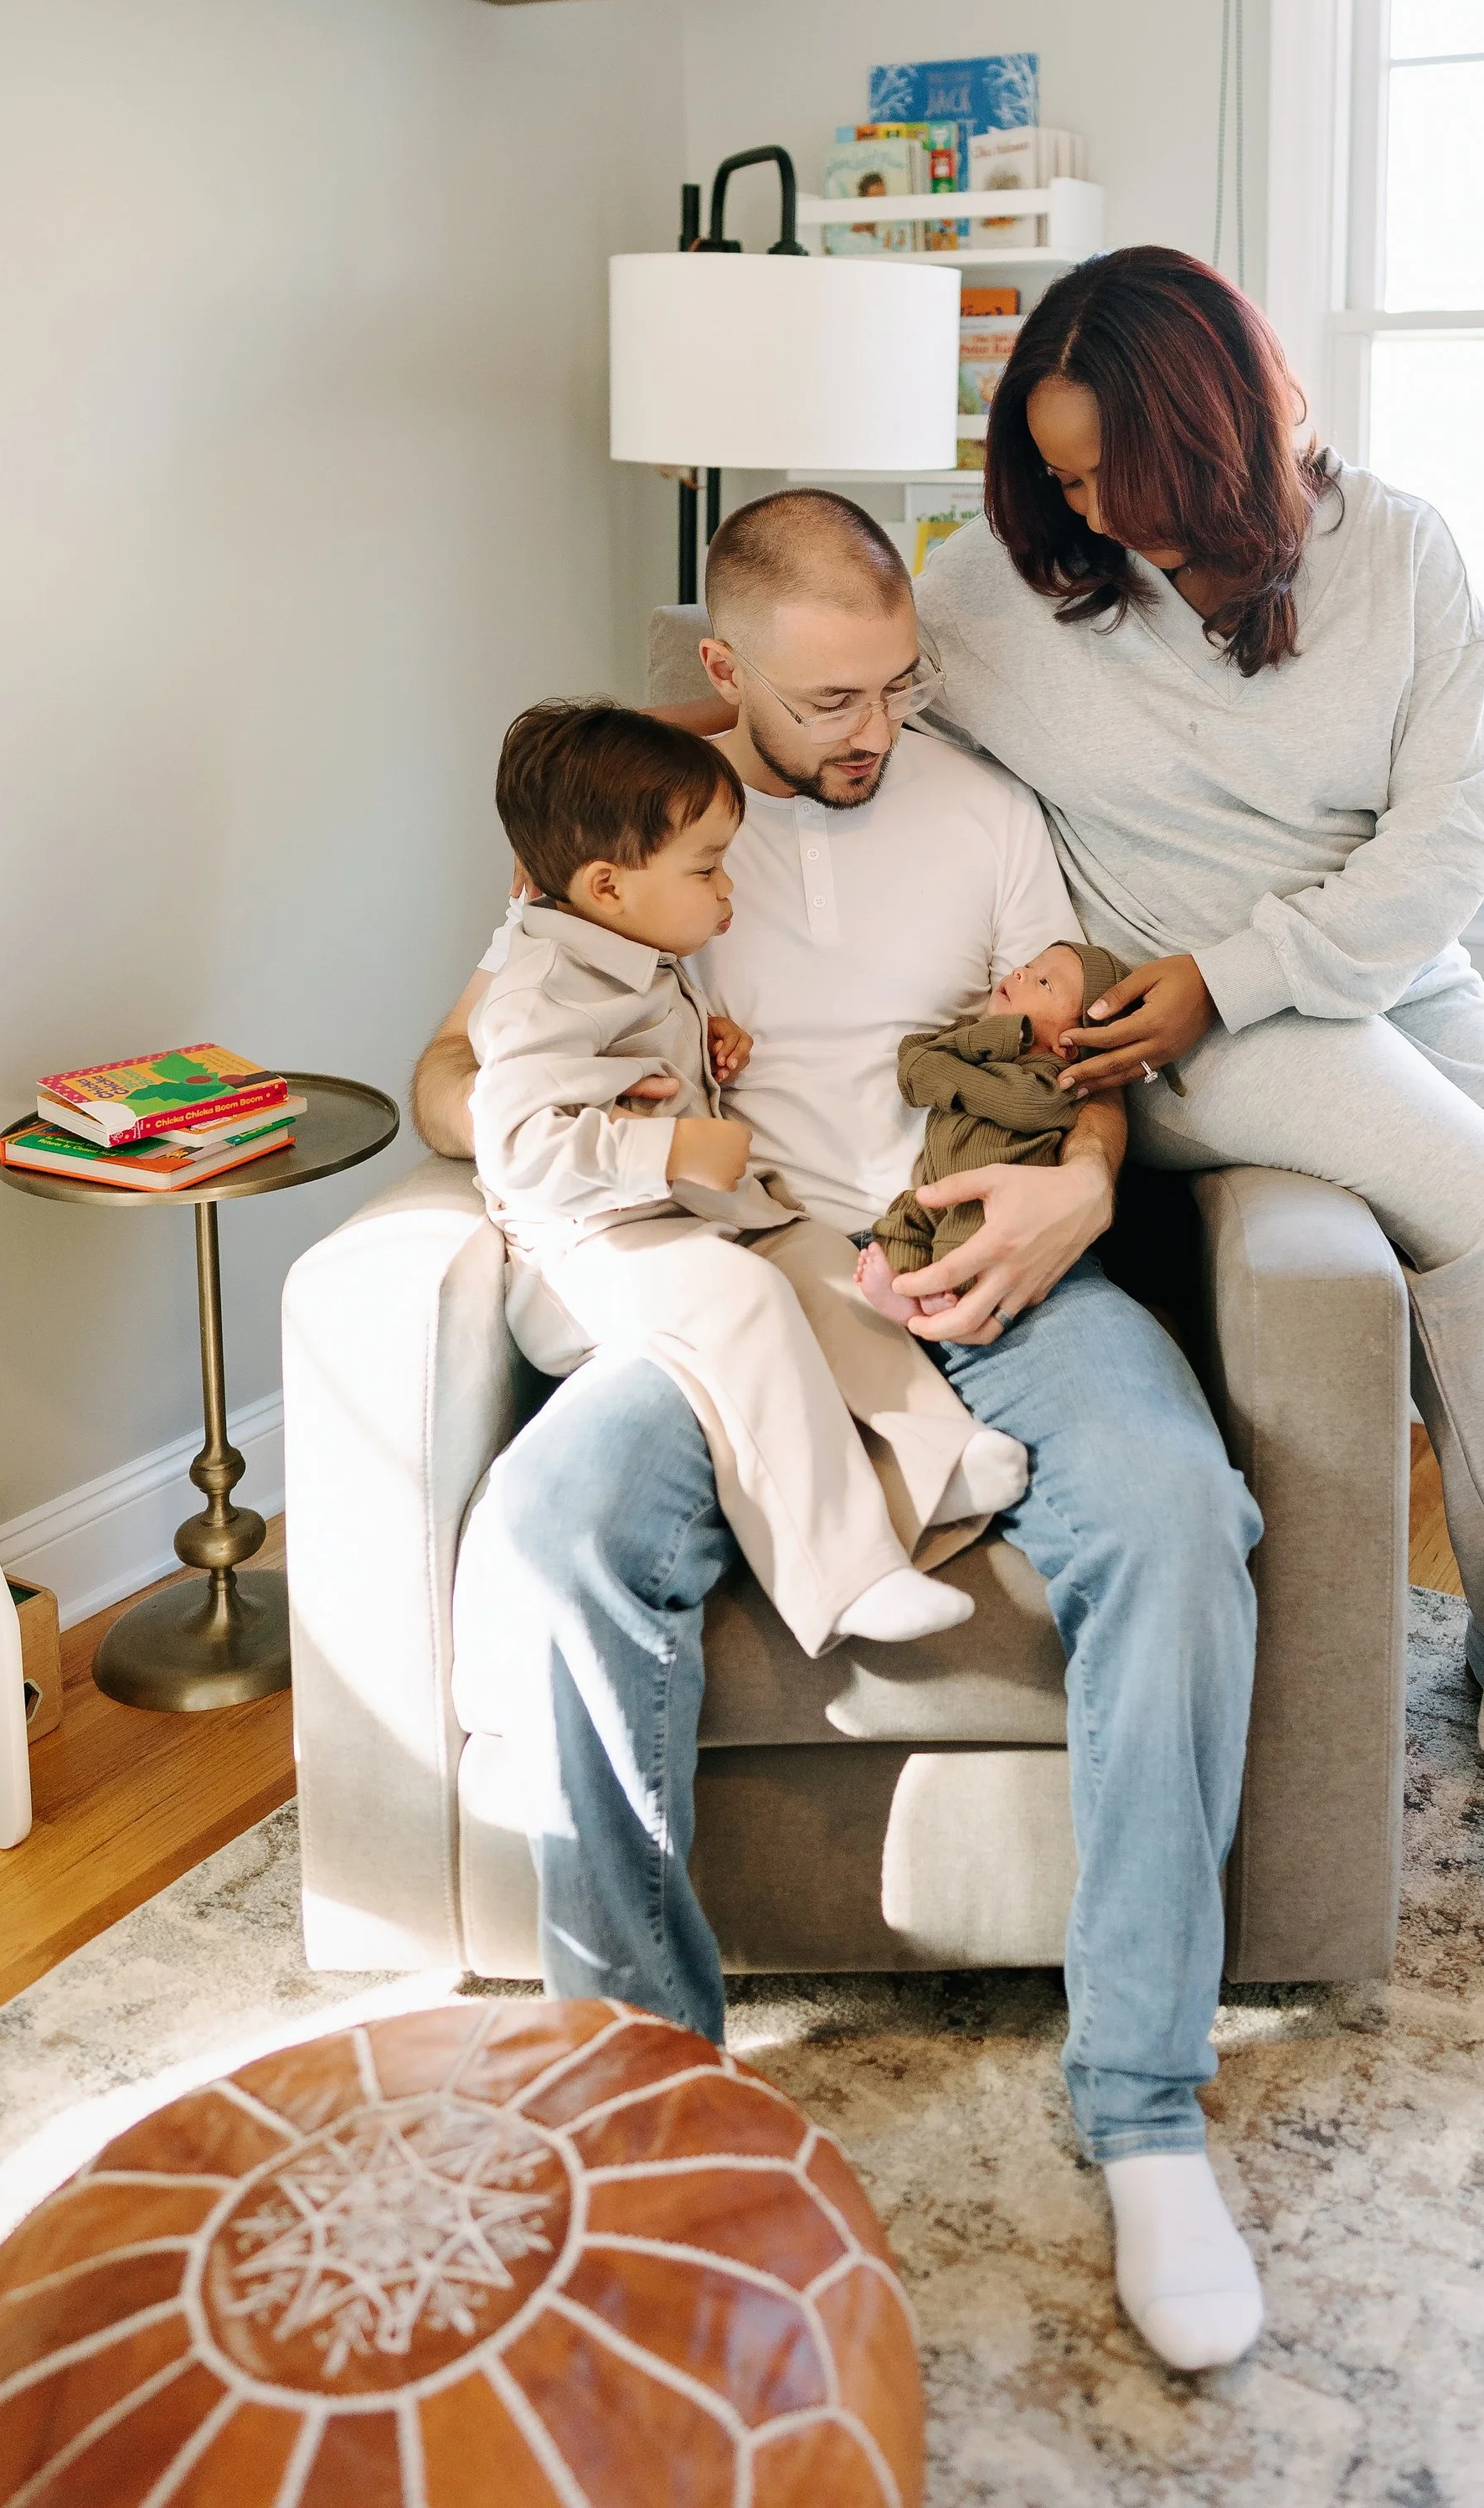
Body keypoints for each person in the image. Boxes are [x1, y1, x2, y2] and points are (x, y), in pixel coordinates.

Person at [413, 488, 1269, 2373]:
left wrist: (1077, 1181)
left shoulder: (978, 812)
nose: (867, 733)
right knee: (552, 1537)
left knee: (1173, 1510)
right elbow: (453, 1071)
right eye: (819, 704)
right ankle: (648, 2103)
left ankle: (1141, 2114)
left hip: (989, 1261)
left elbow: (1078, 1068)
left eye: (893, 685)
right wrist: (588, 1140)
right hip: (743, 1284)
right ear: (723, 675)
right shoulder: (647, 829)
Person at [912, 241, 1484, 1927]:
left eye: (1122, 468)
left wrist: (1253, 968)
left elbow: (1445, 842)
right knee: (1483, 1217)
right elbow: (834, 705)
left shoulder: (1397, 554)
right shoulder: (992, 591)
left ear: (1227, 436)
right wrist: (638, 779)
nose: (1088, 508)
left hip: (1357, 968)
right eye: (1058, 470)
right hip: (1167, 1019)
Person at [470, 694, 1025, 1656]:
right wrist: (671, 1149)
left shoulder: (631, 949)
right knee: (742, 1298)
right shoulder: (539, 988)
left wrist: (703, 1044)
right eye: (708, 869)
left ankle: (937, 1459)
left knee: (820, 1263)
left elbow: (626, 1053)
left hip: (688, 1221)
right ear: (606, 886)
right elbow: (515, 1144)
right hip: (589, 1255)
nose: (730, 890)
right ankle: (844, 1574)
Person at [855, 937, 1136, 1324]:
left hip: (991, 1200)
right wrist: (990, 1036)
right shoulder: (970, 1038)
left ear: (1068, 1047)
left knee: (968, 1238)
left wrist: (967, 1063)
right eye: (1030, 966)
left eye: (1044, 984)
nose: (1021, 972)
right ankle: (906, 1291)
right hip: (936, 1188)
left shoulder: (1052, 1079)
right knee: (902, 1225)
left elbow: (1019, 1103)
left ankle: (947, 1293)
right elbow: (913, 1066)